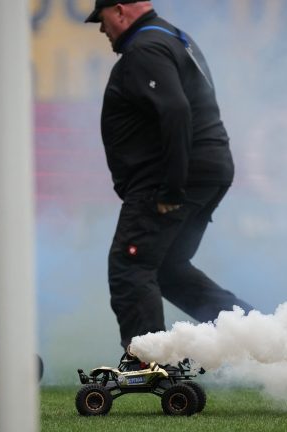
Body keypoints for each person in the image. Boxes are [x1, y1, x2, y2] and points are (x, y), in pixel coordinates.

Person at [85, 0, 253, 351]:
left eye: (101, 20)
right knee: (169, 270)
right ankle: (262, 339)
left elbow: (176, 110)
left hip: (173, 179)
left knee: (130, 265)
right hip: (207, 170)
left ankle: (149, 363)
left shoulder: (145, 49)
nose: (102, 30)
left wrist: (171, 188)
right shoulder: (173, 38)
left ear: (119, 11)